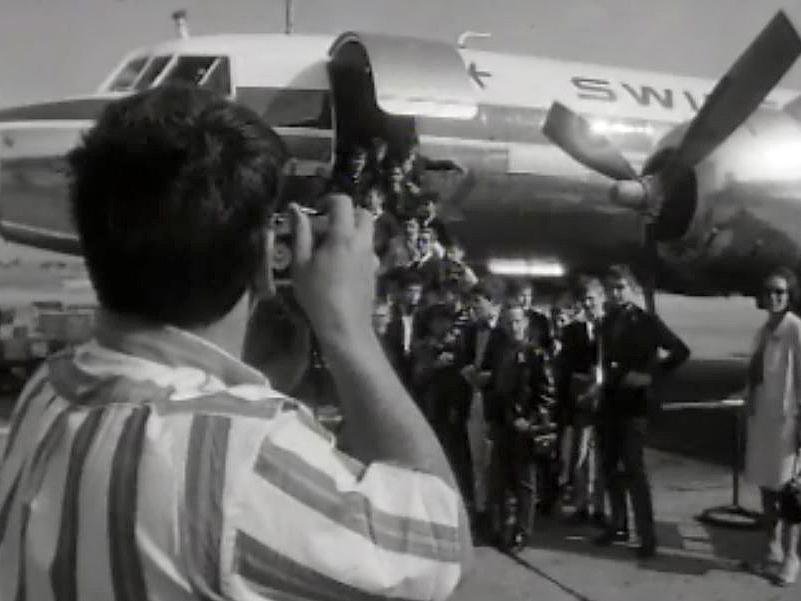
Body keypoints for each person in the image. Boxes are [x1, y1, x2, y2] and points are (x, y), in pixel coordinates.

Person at [0, 86, 472, 601]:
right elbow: (439, 547)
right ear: (266, 256)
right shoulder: (241, 459)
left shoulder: (46, 393)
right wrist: (349, 331)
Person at [595, 265, 689, 559]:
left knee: (635, 471)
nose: (615, 293)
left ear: (632, 289)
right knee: (609, 467)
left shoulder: (647, 322)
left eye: (621, 287)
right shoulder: (605, 321)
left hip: (634, 407)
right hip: (609, 404)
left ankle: (647, 535)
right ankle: (618, 524)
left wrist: (651, 376)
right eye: (611, 288)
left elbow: (680, 351)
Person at [743, 267, 801, 585]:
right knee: (767, 489)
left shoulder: (796, 330)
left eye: (780, 292)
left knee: (791, 493)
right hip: (762, 422)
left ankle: (792, 558)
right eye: (769, 291)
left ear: (789, 296)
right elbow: (755, 375)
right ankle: (772, 549)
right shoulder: (763, 331)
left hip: (787, 424)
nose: (774, 297)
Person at [486, 302, 556, 551]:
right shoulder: (500, 351)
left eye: (517, 321)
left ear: (525, 324)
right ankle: (501, 526)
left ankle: (522, 532)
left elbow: (547, 394)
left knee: (525, 481)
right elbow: (495, 388)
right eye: (509, 322)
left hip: (524, 425)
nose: (513, 327)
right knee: (500, 479)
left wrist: (532, 420)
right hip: (502, 423)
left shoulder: (536, 354)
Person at [559, 276, 607, 526]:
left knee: (601, 456)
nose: (588, 304)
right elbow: (566, 367)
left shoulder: (609, 327)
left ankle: (600, 507)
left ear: (601, 300)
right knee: (579, 454)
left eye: (592, 299)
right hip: (581, 395)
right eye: (585, 300)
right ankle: (581, 504)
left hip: (606, 397)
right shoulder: (572, 331)